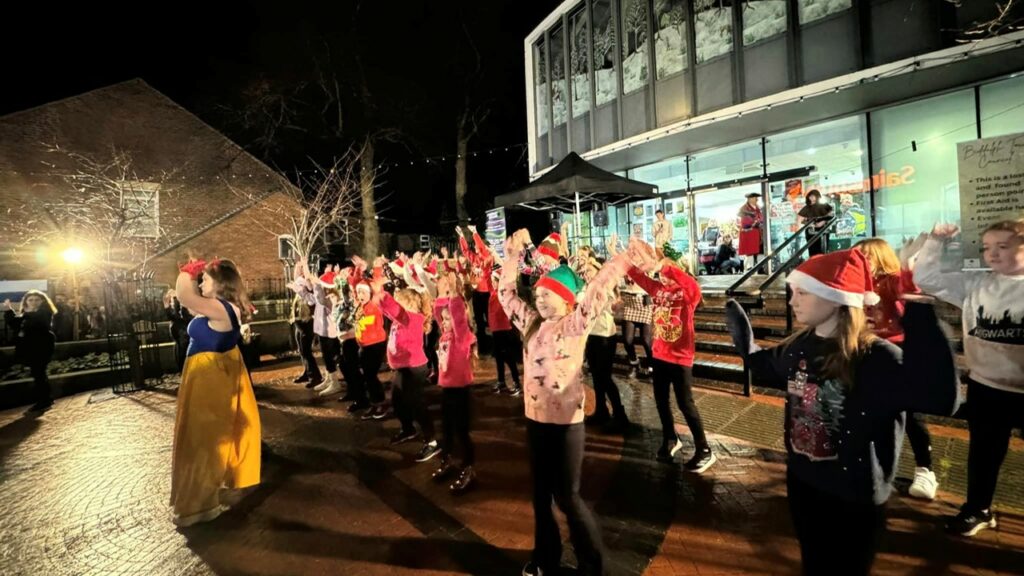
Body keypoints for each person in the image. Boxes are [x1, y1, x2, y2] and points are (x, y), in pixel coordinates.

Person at [725, 249, 959, 574]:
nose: (793, 301)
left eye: (803, 292)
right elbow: (764, 365)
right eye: (793, 291)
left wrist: (918, 309)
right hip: (804, 483)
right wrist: (744, 343)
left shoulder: (876, 358)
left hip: (855, 497)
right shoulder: (799, 346)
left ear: (835, 298)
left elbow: (939, 397)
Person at [499, 228, 637, 576]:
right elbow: (506, 294)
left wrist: (622, 260)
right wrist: (512, 256)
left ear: (567, 300)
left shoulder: (575, 325)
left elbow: (596, 293)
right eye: (540, 293)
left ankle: (593, 565)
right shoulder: (530, 324)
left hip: (566, 427)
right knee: (540, 496)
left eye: (550, 294)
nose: (541, 299)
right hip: (535, 421)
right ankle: (546, 558)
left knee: (568, 498)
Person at [913, 220, 1024, 537]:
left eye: (1003, 246)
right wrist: (935, 240)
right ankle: (978, 508)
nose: (993, 254)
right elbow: (926, 277)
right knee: (984, 453)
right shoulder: (977, 284)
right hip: (987, 386)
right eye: (987, 247)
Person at [170, 259, 261, 527]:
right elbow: (187, 301)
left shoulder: (222, 308)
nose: (201, 283)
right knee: (201, 439)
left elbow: (185, 295)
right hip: (204, 377)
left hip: (209, 381)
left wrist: (187, 272)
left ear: (221, 284)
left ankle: (200, 505)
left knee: (202, 441)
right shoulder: (218, 307)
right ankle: (200, 500)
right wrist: (190, 274)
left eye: (206, 279)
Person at [854, 237, 938, 500]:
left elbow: (910, 291)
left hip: (897, 354)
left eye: (864, 257)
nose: (859, 262)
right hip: (865, 354)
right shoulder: (858, 284)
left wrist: (907, 263)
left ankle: (925, 470)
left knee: (910, 415)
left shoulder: (891, 280)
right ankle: (873, 466)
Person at [627, 242, 715, 471]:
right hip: (659, 356)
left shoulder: (687, 294)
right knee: (661, 400)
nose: (662, 276)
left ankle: (704, 448)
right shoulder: (659, 291)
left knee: (685, 403)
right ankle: (670, 438)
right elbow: (638, 277)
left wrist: (663, 266)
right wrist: (624, 259)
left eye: (667, 271)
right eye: (661, 273)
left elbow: (690, 283)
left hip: (680, 358)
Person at [431, 271, 479, 493]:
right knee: (447, 429)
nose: (446, 321)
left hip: (461, 391)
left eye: (449, 318)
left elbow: (458, 317)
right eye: (444, 318)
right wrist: (442, 294)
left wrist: (455, 295)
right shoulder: (445, 335)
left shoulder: (462, 336)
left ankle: (469, 467)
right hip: (447, 390)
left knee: (462, 431)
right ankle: (447, 459)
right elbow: (438, 313)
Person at [4, 290, 57, 411]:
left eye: (37, 300)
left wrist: (26, 315)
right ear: (26, 302)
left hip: (42, 346)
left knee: (38, 372)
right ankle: (46, 398)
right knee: (38, 372)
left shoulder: (44, 312)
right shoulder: (26, 314)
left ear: (42, 301)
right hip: (31, 347)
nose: (33, 302)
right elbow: (14, 324)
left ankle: (43, 400)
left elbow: (38, 323)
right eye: (30, 300)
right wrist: (8, 309)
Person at [797, 189, 834, 257]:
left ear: (817, 196)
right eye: (810, 196)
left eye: (813, 196)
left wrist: (823, 221)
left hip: (822, 230)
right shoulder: (807, 207)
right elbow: (800, 219)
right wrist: (809, 224)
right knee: (812, 250)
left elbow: (831, 215)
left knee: (823, 250)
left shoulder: (823, 205)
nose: (811, 198)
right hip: (811, 231)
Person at [164, 289, 193, 372]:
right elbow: (173, 316)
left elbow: (179, 315)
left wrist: (176, 298)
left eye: (172, 302)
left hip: (184, 340)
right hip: (180, 341)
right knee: (180, 361)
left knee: (183, 362)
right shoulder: (178, 315)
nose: (171, 303)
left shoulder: (184, 313)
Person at [737, 192, 764, 271]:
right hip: (749, 234)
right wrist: (756, 223)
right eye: (755, 198)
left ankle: (760, 267)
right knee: (750, 252)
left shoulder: (758, 208)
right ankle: (750, 268)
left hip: (758, 233)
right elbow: (745, 222)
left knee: (760, 250)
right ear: (750, 199)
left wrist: (760, 222)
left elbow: (761, 218)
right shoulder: (744, 209)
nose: (757, 199)